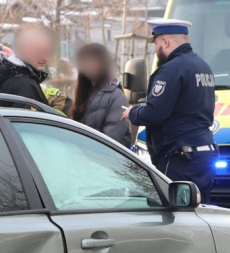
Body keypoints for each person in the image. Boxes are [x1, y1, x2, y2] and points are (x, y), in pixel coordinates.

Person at [122, 18, 216, 192]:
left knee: (173, 207)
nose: (155, 50)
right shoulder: (203, 67)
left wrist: (133, 113)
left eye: (156, 44)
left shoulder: (171, 69)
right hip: (203, 156)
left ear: (165, 41)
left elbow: (155, 113)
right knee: (199, 206)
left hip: (179, 158)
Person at [70, 43, 130, 147]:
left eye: (94, 60)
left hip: (106, 155)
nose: (89, 65)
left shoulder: (117, 96)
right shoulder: (83, 91)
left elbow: (111, 139)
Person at [0, 27, 54, 107]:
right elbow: (27, 115)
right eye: (38, 51)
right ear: (22, 50)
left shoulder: (6, 76)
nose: (44, 58)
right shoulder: (25, 86)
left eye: (46, 52)